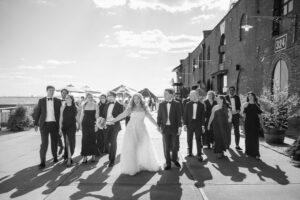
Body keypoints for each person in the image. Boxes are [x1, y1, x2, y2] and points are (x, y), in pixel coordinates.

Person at [109, 93, 161, 175]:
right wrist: (113, 120)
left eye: (138, 99)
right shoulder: (130, 108)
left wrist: (157, 126)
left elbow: (151, 118)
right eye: (134, 99)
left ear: (141, 99)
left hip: (141, 129)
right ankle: (132, 167)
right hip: (131, 129)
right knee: (131, 148)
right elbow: (122, 115)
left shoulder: (144, 108)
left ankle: (143, 163)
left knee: (143, 147)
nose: (136, 100)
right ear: (133, 100)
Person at [34, 85, 62, 169]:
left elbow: (61, 114)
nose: (52, 92)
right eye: (50, 90)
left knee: (54, 143)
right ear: (47, 91)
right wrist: (36, 124)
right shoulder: (41, 101)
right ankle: (42, 162)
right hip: (44, 125)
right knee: (44, 144)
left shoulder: (58, 101)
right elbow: (38, 113)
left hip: (54, 124)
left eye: (53, 90)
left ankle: (55, 157)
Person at [157, 88, 182, 170]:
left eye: (166, 93)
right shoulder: (161, 104)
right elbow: (159, 117)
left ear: (171, 95)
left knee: (175, 146)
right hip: (165, 128)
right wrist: (158, 126)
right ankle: (168, 163)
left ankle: (174, 160)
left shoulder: (177, 104)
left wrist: (180, 127)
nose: (164, 95)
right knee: (166, 147)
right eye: (164, 93)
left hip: (174, 128)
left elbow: (179, 117)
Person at [102, 91, 124, 167]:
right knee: (106, 142)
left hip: (115, 126)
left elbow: (122, 116)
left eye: (111, 96)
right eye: (108, 96)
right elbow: (103, 115)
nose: (109, 97)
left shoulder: (120, 105)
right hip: (106, 125)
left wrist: (115, 119)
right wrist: (102, 121)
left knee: (113, 142)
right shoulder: (106, 105)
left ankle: (112, 160)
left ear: (114, 96)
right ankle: (111, 154)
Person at [183, 90, 205, 161]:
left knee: (198, 139)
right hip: (190, 124)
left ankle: (199, 154)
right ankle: (190, 152)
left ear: (196, 96)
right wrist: (185, 124)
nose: (191, 96)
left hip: (198, 124)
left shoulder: (201, 105)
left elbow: (203, 116)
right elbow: (185, 115)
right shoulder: (187, 104)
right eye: (190, 95)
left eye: (192, 95)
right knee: (189, 139)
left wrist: (203, 126)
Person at [241, 92, 263, 160]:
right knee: (248, 138)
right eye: (249, 96)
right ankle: (248, 152)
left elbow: (260, 116)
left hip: (255, 123)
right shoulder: (245, 104)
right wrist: (243, 124)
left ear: (254, 96)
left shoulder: (257, 104)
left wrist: (262, 124)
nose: (250, 97)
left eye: (251, 96)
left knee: (255, 139)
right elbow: (243, 115)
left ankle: (256, 153)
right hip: (247, 123)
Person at [59, 94, 79, 166]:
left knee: (71, 143)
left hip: (72, 126)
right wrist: (60, 128)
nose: (66, 99)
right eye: (66, 98)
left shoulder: (75, 107)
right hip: (64, 126)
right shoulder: (63, 107)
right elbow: (61, 118)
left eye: (68, 98)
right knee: (66, 142)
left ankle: (69, 157)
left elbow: (77, 118)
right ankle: (68, 158)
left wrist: (79, 124)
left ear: (71, 99)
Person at [80, 93, 99, 163]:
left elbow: (97, 116)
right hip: (85, 124)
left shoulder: (95, 105)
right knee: (85, 140)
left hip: (93, 124)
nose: (90, 98)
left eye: (91, 97)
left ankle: (93, 156)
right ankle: (84, 157)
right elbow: (81, 115)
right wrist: (80, 125)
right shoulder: (84, 105)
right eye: (88, 97)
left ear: (93, 97)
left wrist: (97, 125)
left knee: (93, 140)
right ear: (86, 98)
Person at [225, 86, 242, 150]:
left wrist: (237, 111)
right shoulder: (225, 97)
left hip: (236, 116)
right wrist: (229, 112)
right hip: (229, 116)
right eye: (230, 90)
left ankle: (237, 145)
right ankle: (227, 145)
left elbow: (239, 107)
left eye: (232, 90)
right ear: (229, 90)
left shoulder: (237, 97)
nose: (231, 91)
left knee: (237, 131)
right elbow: (224, 107)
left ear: (234, 91)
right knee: (228, 130)